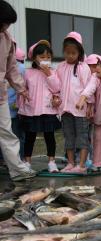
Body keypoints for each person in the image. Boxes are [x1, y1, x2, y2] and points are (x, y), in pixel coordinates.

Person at [0, 0, 36, 182]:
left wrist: (21, 89)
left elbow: (11, 68)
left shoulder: (6, 39)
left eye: (7, 24)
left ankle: (18, 169)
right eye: (4, 22)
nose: (5, 27)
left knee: (7, 133)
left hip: (0, 96)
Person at [47, 32, 91, 174]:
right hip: (65, 109)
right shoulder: (60, 67)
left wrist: (90, 105)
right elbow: (56, 86)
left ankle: (82, 164)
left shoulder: (84, 68)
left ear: (79, 52)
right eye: (67, 53)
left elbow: (89, 88)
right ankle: (71, 163)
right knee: (68, 137)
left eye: (73, 53)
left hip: (80, 109)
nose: (70, 56)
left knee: (82, 137)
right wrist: (55, 97)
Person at [19, 40, 61, 173]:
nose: (46, 60)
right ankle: (27, 162)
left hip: (48, 109)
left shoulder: (53, 72)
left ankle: (51, 162)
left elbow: (57, 88)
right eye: (42, 57)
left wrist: (48, 73)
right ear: (34, 58)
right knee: (30, 136)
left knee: (49, 136)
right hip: (31, 110)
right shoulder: (28, 72)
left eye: (48, 57)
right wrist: (23, 94)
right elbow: (22, 87)